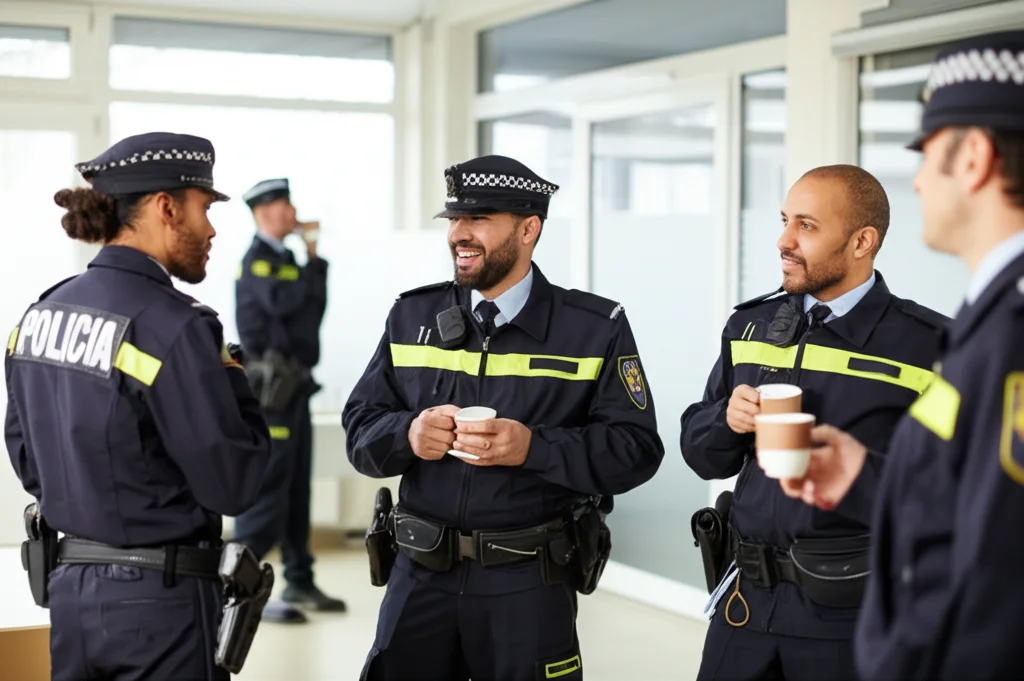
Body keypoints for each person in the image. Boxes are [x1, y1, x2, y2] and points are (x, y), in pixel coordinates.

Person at [342, 154, 665, 680]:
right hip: (419, 577)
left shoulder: (594, 329)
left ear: (529, 228)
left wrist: (533, 449)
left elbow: (635, 450)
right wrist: (407, 433)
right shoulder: (411, 317)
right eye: (454, 221)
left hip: (528, 584)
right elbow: (360, 429)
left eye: (480, 220)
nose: (460, 235)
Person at [778, 30, 1024, 680]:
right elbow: (969, 495)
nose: (915, 179)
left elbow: (997, 566)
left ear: (972, 157)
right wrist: (863, 476)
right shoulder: (990, 311)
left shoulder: (1012, 329)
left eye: (926, 153)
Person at [4, 132, 272, 681]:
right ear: (166, 208)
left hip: (71, 596)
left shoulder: (39, 316)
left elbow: (28, 459)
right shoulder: (175, 326)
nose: (213, 228)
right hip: (160, 605)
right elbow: (233, 483)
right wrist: (234, 381)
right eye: (204, 208)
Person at [680, 164, 949, 680]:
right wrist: (726, 420)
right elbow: (701, 454)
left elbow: (951, 492)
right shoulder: (749, 325)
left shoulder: (932, 347)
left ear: (861, 241)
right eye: (785, 220)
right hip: (744, 607)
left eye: (806, 225)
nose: (783, 240)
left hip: (853, 616)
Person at [232, 177, 344, 623]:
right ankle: (235, 584)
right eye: (283, 205)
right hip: (271, 393)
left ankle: (299, 578)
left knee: (298, 487)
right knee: (269, 490)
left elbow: (312, 310)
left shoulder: (287, 259)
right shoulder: (258, 261)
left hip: (295, 388)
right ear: (262, 213)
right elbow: (287, 306)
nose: (292, 211)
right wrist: (308, 266)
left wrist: (313, 255)